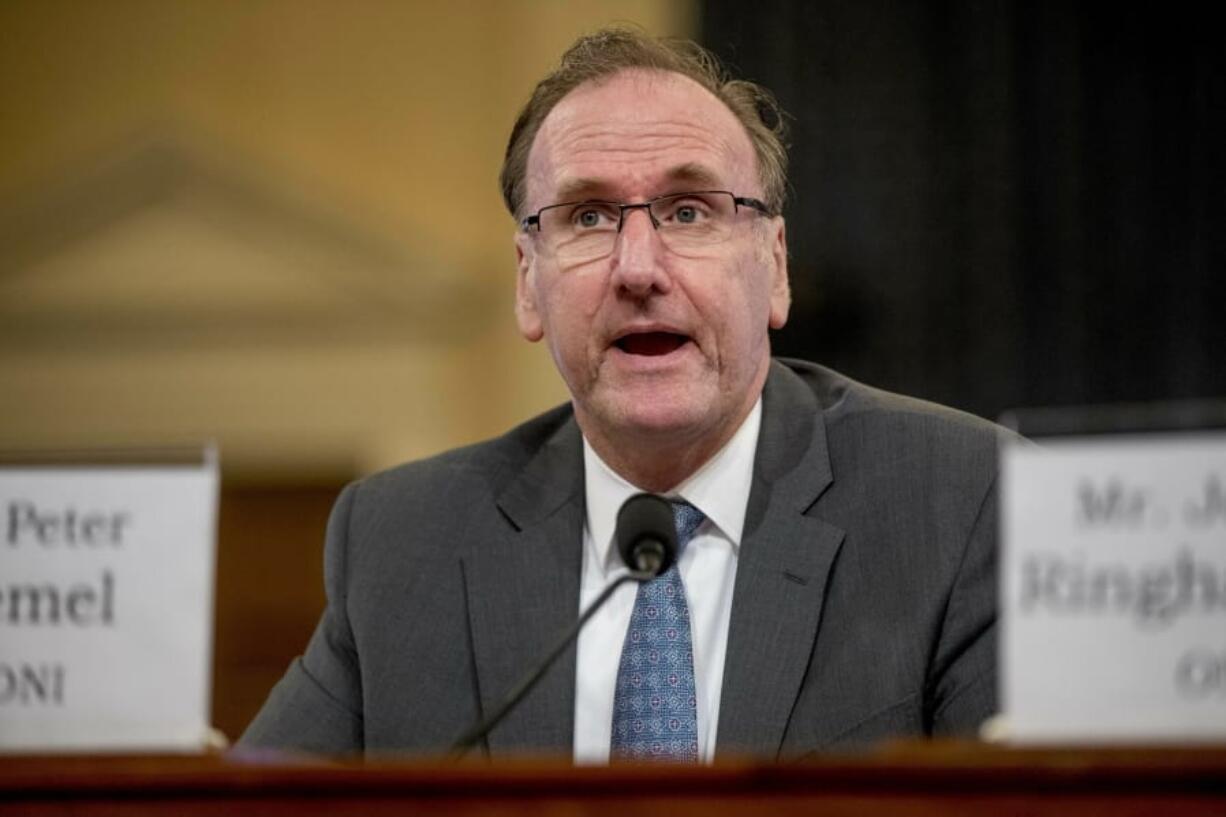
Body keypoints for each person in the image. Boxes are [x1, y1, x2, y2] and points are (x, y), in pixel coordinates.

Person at [240, 28, 1004, 762]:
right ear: (527, 284)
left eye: (688, 211)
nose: (638, 268)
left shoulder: (961, 502)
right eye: (589, 216)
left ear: (774, 266)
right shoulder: (404, 544)